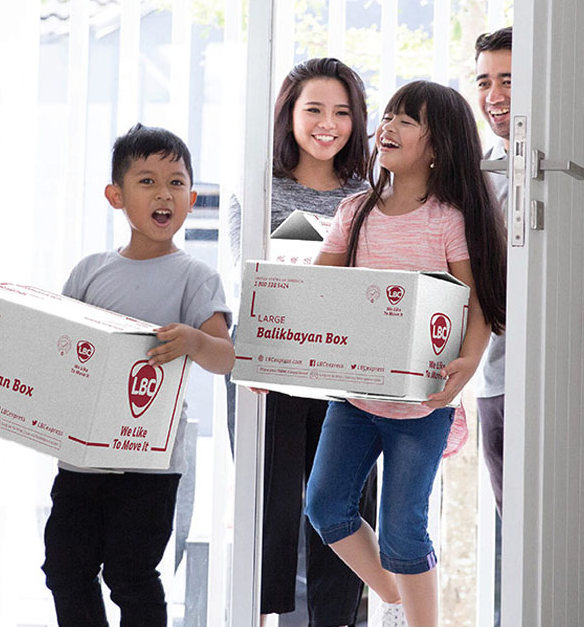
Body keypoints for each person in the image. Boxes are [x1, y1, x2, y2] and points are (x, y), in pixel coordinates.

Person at [305, 80, 506, 627]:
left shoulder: (448, 219)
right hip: (355, 399)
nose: (388, 127)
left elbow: (476, 302)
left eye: (406, 120)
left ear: (438, 145)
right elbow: (315, 290)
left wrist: (469, 361)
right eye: (388, 116)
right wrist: (273, 352)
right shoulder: (355, 211)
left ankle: (416, 615)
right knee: (325, 506)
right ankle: (395, 597)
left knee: (402, 532)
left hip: (423, 405)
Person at [42, 124, 234, 627]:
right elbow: (57, 348)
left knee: (130, 573)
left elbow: (225, 357)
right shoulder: (89, 271)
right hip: (82, 458)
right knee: (64, 569)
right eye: (147, 181)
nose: (164, 193)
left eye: (176, 182)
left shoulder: (196, 277)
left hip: (150, 463)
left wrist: (194, 342)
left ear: (191, 199)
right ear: (116, 196)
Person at [228, 57, 376, 627]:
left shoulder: (369, 195)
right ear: (289, 114)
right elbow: (246, 278)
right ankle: (260, 616)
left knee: (341, 508)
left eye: (342, 112)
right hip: (271, 363)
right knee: (269, 508)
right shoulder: (257, 187)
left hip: (344, 369)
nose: (327, 124)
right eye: (314, 109)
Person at [474, 26, 512, 516]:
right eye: (484, 82)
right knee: (517, 530)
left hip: (556, 378)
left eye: (507, 80)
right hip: (495, 380)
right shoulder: (479, 173)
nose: (494, 95)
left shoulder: (560, 168)